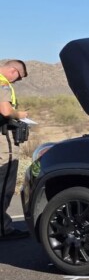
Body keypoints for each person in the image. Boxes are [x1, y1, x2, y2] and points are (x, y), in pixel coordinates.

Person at [0, 59, 29, 238]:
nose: (15, 82)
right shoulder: (2, 84)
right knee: (4, 184)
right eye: (18, 78)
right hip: (3, 141)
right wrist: (21, 114)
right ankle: (3, 229)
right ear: (13, 71)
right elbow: (5, 110)